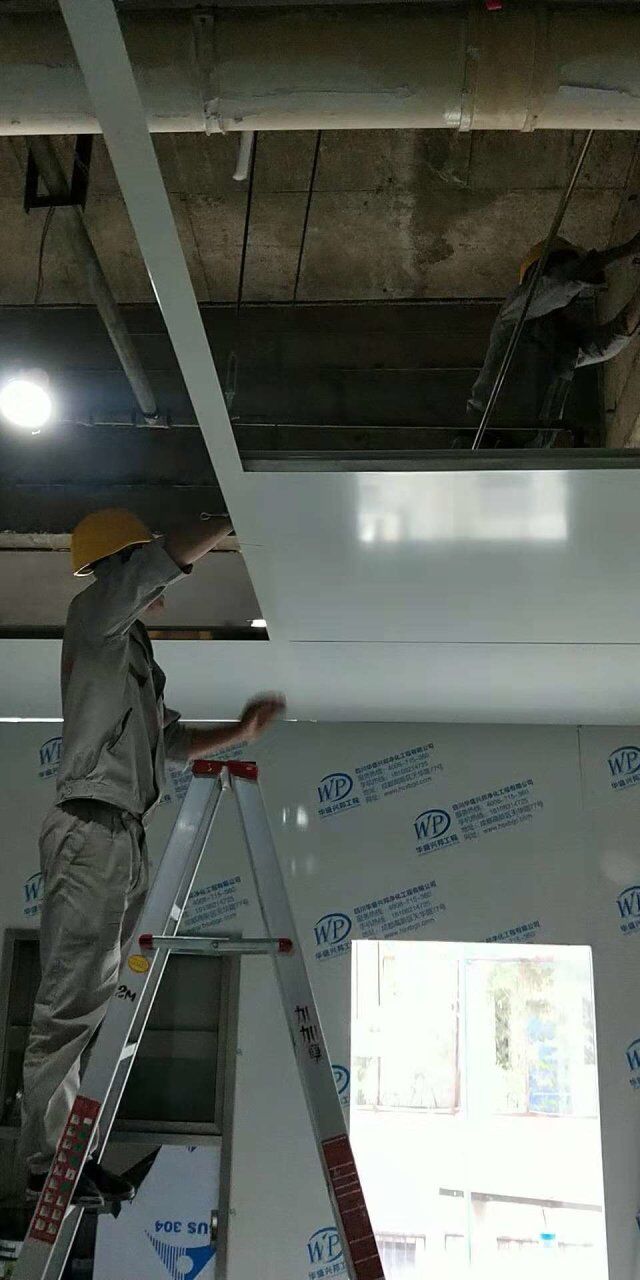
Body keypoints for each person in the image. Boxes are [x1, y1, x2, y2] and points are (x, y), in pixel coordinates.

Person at [20, 508, 284, 1208]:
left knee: (95, 1005)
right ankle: (46, 1164)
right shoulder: (96, 615)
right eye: (141, 564)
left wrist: (240, 731)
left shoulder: (131, 649)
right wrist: (228, 512)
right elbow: (162, 561)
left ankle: (70, 1158)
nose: (160, 583)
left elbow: (170, 742)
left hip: (122, 834)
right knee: (70, 1003)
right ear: (121, 562)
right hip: (92, 829)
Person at [467, 232, 640, 432]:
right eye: (562, 263)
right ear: (539, 273)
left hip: (519, 444)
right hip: (490, 437)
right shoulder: (514, 314)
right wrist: (627, 249)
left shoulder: (559, 334)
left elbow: (605, 343)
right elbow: (563, 281)